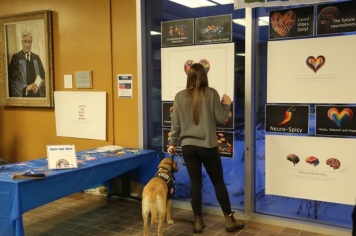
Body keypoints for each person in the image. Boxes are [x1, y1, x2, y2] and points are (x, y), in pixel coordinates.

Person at [167, 63, 245, 233]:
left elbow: (176, 125)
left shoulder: (179, 96)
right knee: (218, 182)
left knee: (195, 183)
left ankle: (197, 221)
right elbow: (221, 119)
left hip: (188, 147)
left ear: (189, 76)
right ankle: (229, 221)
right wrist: (227, 104)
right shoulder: (211, 94)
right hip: (207, 146)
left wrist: (172, 143)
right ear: (204, 76)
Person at [8, 30, 46, 97]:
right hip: (24, 95)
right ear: (22, 42)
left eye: (29, 42)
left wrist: (37, 86)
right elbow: (13, 80)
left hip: (36, 95)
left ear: (31, 42)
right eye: (25, 41)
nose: (27, 45)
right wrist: (27, 88)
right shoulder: (16, 57)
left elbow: (42, 75)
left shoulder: (36, 58)